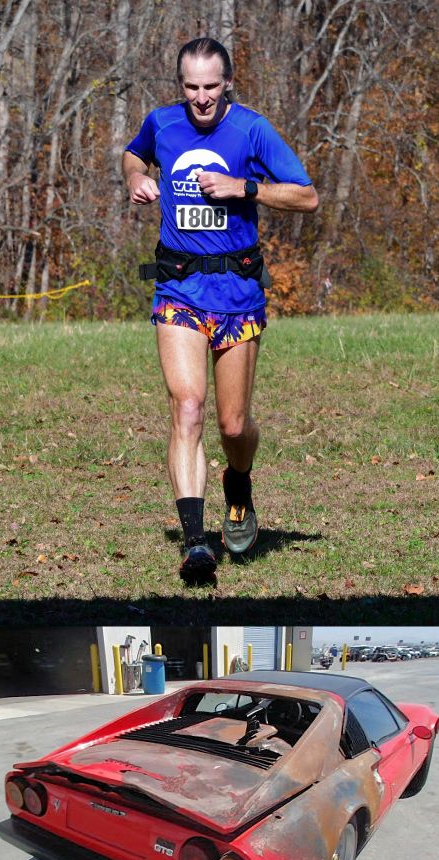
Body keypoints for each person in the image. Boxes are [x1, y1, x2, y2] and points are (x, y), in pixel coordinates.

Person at [122, 37, 318, 585]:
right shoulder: (162, 123)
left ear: (227, 82)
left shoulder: (251, 130)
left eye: (211, 86)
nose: (202, 97)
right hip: (178, 289)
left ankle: (239, 482)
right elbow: (134, 153)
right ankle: (195, 544)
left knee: (233, 425)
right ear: (180, 85)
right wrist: (136, 177)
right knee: (187, 407)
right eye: (191, 87)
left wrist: (244, 187)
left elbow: (306, 196)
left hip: (237, 295)